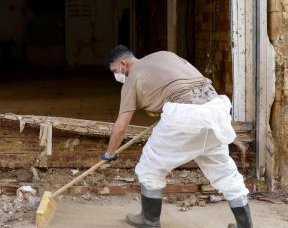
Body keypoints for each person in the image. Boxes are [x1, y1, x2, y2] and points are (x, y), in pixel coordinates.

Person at [102, 45, 252, 228]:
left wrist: (109, 153)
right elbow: (180, 83)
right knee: (225, 171)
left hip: (186, 116)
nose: (116, 75)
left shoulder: (132, 79)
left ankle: (149, 220)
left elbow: (121, 125)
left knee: (149, 167)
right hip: (216, 110)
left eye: (115, 71)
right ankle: (245, 225)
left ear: (123, 63)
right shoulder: (163, 55)